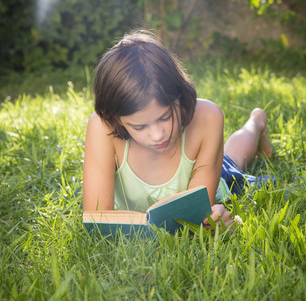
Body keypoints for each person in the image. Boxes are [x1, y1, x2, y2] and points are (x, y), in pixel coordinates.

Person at [83, 30, 273, 231]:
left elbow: (193, 212)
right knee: (229, 156)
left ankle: (256, 122)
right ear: (116, 120)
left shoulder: (208, 116)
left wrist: (210, 221)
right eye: (139, 127)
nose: (158, 135)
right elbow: (97, 216)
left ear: (181, 97)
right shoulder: (102, 127)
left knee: (232, 162)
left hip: (215, 174)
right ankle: (255, 122)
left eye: (165, 117)